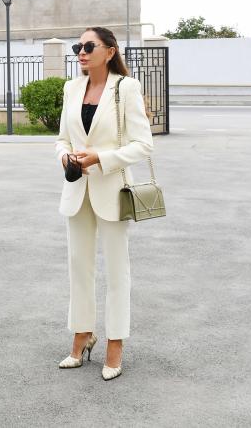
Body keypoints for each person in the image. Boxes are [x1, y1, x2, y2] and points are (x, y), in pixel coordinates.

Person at [54, 27, 154, 381]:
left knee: (116, 271)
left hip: (112, 190)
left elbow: (144, 145)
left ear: (109, 52)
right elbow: (63, 139)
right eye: (77, 46)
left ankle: (115, 342)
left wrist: (101, 157)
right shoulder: (71, 88)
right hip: (77, 189)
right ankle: (82, 335)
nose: (81, 52)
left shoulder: (125, 88)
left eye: (88, 46)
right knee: (78, 267)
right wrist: (66, 157)